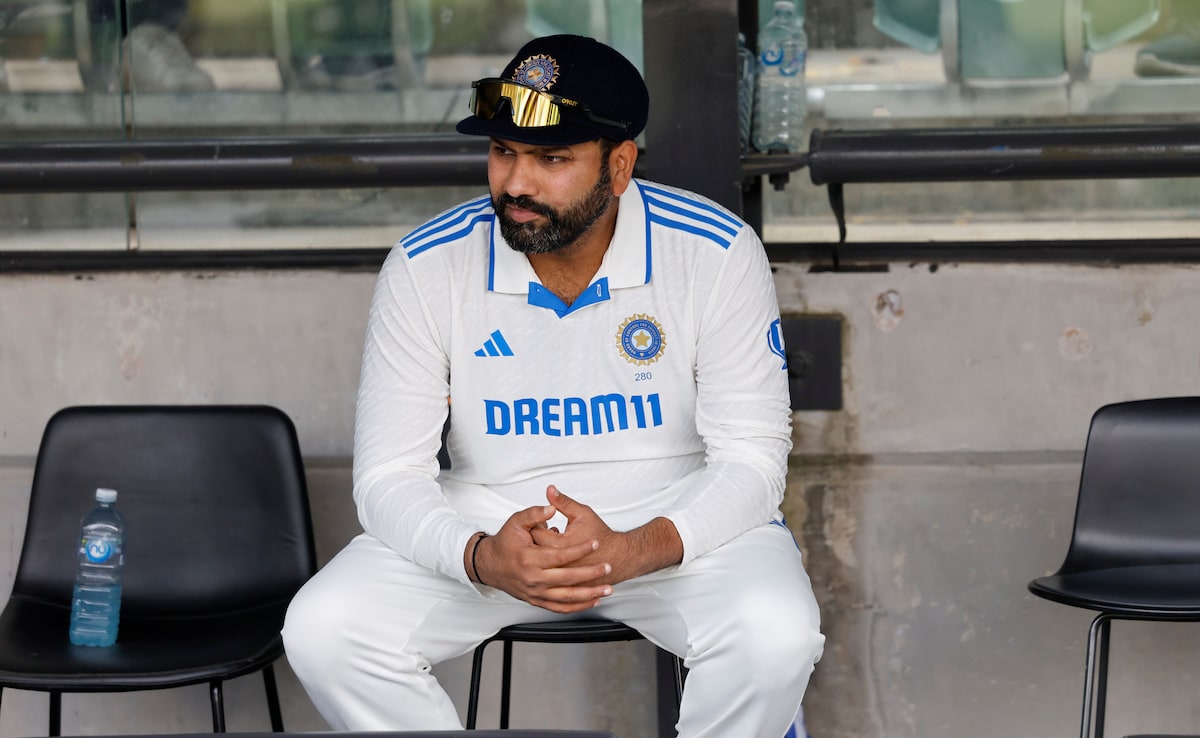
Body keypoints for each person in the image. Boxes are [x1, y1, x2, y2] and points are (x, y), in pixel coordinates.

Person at [282, 33, 824, 737]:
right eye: (503, 152)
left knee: (776, 633)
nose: (516, 184)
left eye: (552, 159)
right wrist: (480, 555)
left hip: (671, 522)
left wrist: (635, 547)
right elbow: (387, 476)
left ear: (619, 165)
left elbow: (753, 461)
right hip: (493, 524)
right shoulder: (427, 264)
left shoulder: (714, 250)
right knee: (326, 630)